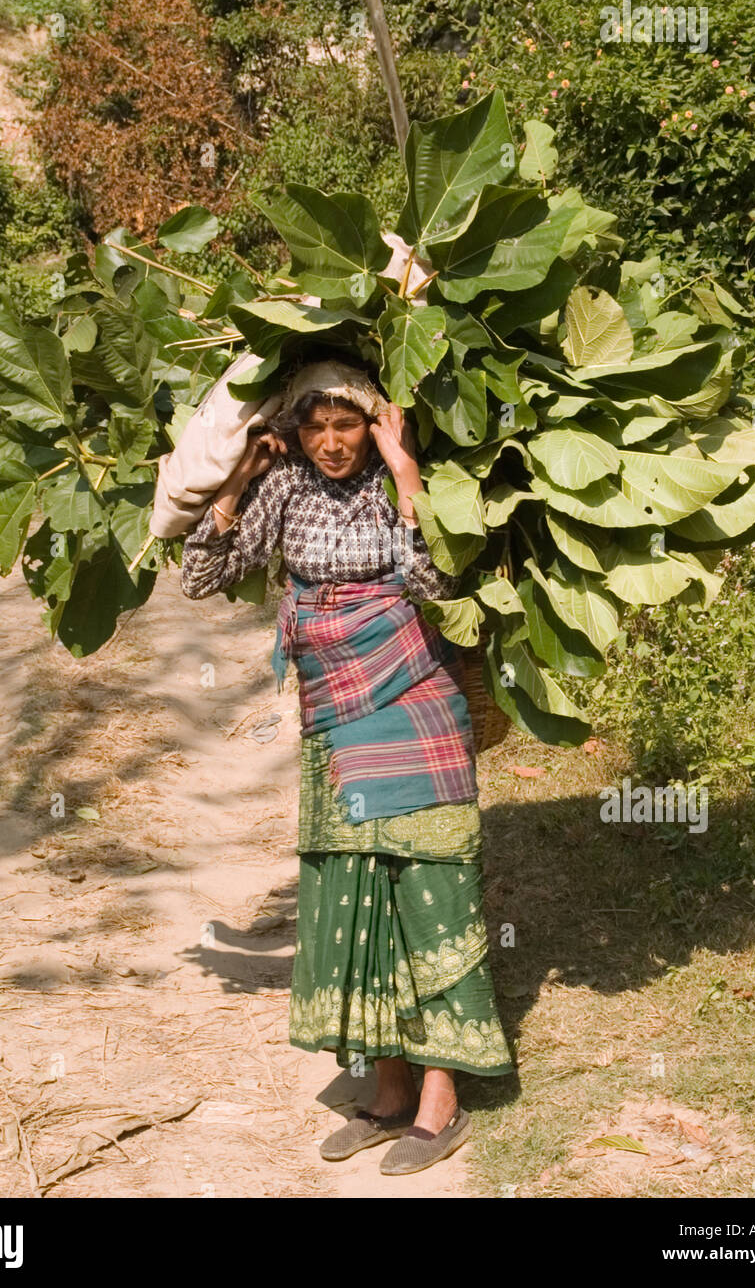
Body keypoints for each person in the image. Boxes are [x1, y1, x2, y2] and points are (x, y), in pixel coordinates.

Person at [181, 358, 513, 1175]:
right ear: (294, 432)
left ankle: (442, 1098)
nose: (332, 444)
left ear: (375, 423)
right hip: (333, 714)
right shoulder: (285, 488)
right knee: (355, 885)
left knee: (429, 885)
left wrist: (406, 474)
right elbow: (198, 576)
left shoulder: (396, 483)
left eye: (348, 425)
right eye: (315, 427)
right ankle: (388, 1092)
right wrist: (238, 480)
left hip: (414, 701)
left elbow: (437, 579)